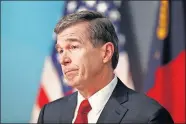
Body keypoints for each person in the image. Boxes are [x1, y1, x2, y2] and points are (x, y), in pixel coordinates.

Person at [37, 10, 174, 123]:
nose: (63, 59)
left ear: (106, 53)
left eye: (73, 47)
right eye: (60, 50)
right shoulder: (49, 114)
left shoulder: (149, 116)